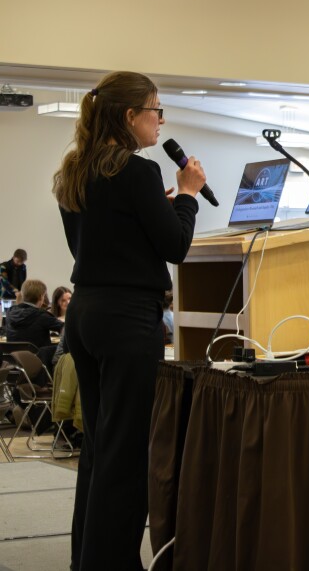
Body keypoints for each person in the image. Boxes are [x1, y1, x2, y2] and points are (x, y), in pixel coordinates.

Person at [54, 71, 206, 571]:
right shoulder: (137, 172)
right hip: (126, 321)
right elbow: (175, 248)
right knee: (125, 459)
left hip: (87, 314)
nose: (160, 121)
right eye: (155, 110)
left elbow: (97, 243)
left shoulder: (76, 170)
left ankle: (89, 561)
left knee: (99, 451)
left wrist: (156, 212)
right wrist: (186, 194)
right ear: (129, 116)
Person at [5, 279, 65, 350]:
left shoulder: (10, 312)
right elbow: (65, 328)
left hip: (14, 359)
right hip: (38, 359)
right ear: (41, 296)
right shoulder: (41, 316)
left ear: (22, 294)